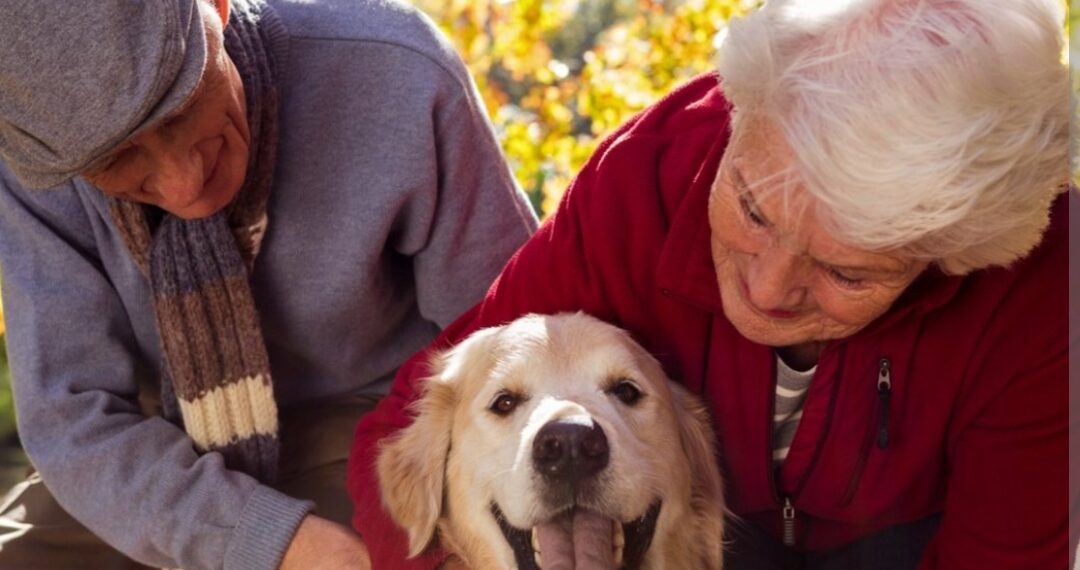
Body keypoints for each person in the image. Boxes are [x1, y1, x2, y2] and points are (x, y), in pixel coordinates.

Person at [348, 0, 1070, 568]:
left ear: (954, 253)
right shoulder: (643, 181)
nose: (768, 288)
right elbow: (408, 436)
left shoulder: (1042, 286)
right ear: (741, 112)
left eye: (847, 271)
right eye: (753, 208)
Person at [0, 0, 537, 568]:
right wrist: (262, 539)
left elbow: (516, 348)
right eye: (116, 159)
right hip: (157, 446)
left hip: (382, 427)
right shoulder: (36, 160)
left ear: (217, 7)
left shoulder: (397, 68)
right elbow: (71, 419)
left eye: (178, 105)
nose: (185, 189)